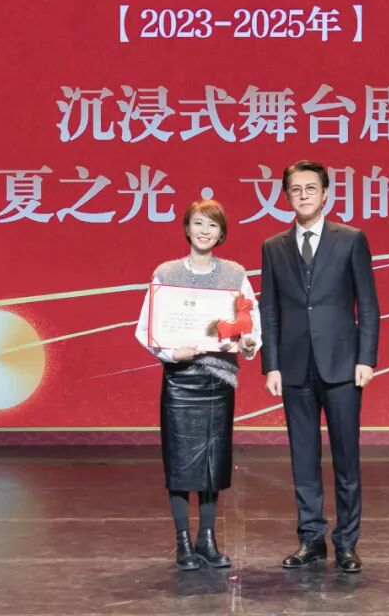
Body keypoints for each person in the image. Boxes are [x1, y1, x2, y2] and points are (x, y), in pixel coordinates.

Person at [260, 160, 380, 574]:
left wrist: (366, 358)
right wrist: (271, 365)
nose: (304, 195)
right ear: (286, 196)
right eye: (296, 189)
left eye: (311, 188)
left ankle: (346, 543)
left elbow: (368, 304)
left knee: (346, 458)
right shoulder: (274, 247)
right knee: (303, 458)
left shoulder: (350, 240)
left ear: (325, 193)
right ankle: (311, 539)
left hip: (342, 365)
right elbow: (269, 309)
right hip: (294, 367)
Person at [135, 199, 261, 571]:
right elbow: (145, 327)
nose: (205, 231)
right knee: (179, 462)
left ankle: (206, 539)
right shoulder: (166, 273)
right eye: (198, 224)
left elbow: (251, 322)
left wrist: (250, 343)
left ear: (222, 233)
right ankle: (182, 542)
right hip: (180, 379)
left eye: (212, 225)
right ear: (187, 229)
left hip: (219, 378)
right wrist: (172, 352)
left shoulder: (235, 275)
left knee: (212, 461)